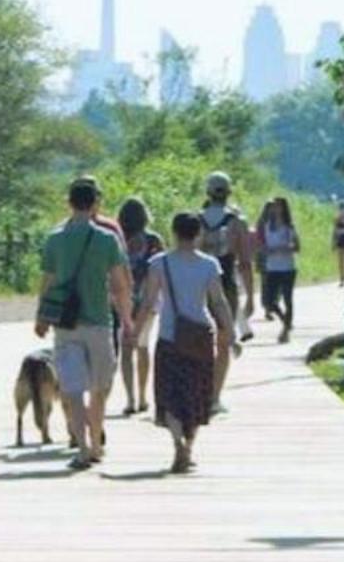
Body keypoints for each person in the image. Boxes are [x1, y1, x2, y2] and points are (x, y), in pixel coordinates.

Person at [34, 175, 134, 470]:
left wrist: (41, 316)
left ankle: (81, 449)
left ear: (69, 203)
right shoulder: (107, 240)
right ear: (95, 205)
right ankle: (95, 443)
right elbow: (119, 286)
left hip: (65, 325)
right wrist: (127, 319)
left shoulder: (54, 239)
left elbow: (47, 283)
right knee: (100, 387)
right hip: (99, 322)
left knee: (72, 388)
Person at [134, 211, 237, 474]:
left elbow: (148, 302)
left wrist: (135, 331)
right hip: (201, 337)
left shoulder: (159, 263)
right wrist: (230, 331)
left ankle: (177, 441)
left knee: (169, 396)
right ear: (198, 233)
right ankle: (188, 448)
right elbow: (219, 301)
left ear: (174, 232)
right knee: (197, 395)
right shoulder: (209, 264)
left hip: (170, 337)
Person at [195, 171, 256, 409]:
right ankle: (215, 395)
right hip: (226, 285)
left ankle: (202, 389)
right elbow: (245, 262)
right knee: (223, 341)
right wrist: (251, 296)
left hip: (199, 285)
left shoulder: (195, 220)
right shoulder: (237, 222)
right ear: (228, 192)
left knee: (201, 340)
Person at [115, 196, 164, 417]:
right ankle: (144, 396)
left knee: (126, 350)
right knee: (143, 348)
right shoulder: (154, 240)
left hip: (123, 300)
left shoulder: (117, 239)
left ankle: (130, 398)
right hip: (148, 301)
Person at [258, 196, 300, 340]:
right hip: (272, 267)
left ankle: (285, 331)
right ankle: (285, 322)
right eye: (273, 206)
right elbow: (262, 245)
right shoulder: (267, 225)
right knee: (269, 301)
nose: (275, 209)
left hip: (287, 267)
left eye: (278, 206)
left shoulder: (289, 227)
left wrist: (285, 248)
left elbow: (297, 246)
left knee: (288, 299)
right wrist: (265, 250)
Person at [252, 199, 277, 320]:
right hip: (264, 255)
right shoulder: (262, 222)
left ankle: (273, 304)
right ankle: (267, 307)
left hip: (276, 256)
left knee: (276, 282)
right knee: (266, 282)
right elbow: (259, 239)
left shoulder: (279, 222)